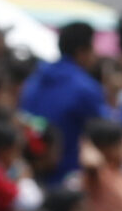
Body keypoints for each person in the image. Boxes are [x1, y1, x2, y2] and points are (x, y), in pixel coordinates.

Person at [18, 23, 108, 181]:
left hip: (33, 174)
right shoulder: (85, 88)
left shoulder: (33, 81)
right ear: (82, 51)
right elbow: (107, 131)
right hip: (70, 177)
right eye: (92, 48)